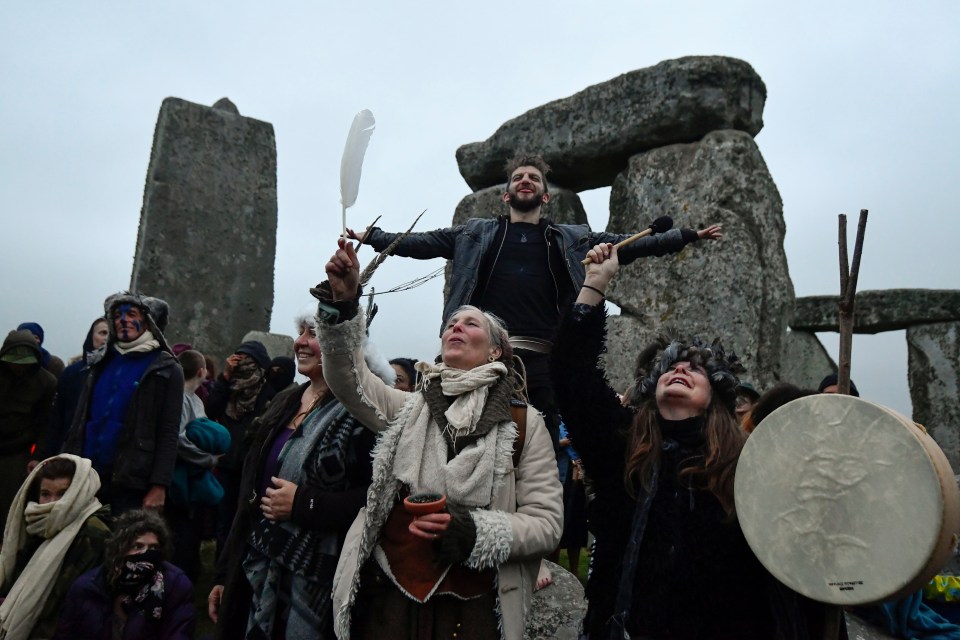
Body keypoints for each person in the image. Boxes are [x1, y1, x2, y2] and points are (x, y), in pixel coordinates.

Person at [346, 155, 722, 460]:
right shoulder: (473, 233)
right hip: (483, 357)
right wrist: (373, 237)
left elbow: (631, 244)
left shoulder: (572, 238)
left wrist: (685, 236)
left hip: (544, 360)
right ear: (507, 195)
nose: (526, 180)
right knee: (460, 437)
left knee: (537, 446)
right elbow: (420, 243)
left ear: (545, 196)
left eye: (534, 178)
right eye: (519, 177)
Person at [551, 241, 810, 639]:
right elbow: (570, 373)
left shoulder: (750, 464)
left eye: (695, 369)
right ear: (652, 388)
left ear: (717, 397)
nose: (680, 369)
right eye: (670, 366)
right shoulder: (621, 445)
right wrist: (596, 284)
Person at [318, 238, 563, 640]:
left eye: (470, 323)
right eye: (451, 323)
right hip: (389, 596)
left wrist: (475, 533)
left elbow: (548, 524)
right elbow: (349, 381)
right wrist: (342, 307)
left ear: (495, 352)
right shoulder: (410, 407)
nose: (456, 327)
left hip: (474, 609)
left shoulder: (524, 422)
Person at [208, 310, 380, 640]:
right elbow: (248, 496)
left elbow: (379, 497)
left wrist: (305, 504)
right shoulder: (285, 400)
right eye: (300, 332)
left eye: (313, 333)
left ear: (344, 344)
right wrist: (224, 574)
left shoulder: (364, 412)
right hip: (257, 563)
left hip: (320, 578)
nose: (300, 342)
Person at [63, 292, 183, 515]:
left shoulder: (166, 368)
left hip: (133, 479)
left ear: (147, 321)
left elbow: (169, 431)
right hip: (86, 471)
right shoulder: (100, 361)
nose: (123, 320)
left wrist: (159, 485)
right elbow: (81, 419)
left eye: (132, 314)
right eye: (117, 315)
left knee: (122, 544)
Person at [0, 454, 109, 639]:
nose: (53, 503)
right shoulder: (35, 525)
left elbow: (67, 602)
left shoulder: (94, 534)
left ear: (78, 493)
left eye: (62, 494)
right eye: (45, 494)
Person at [54, 509, 194, 640]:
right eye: (137, 546)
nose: (146, 554)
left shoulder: (175, 585)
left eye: (153, 548)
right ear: (120, 548)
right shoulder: (88, 586)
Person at [205, 340, 277, 554]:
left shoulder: (268, 392)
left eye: (249, 361)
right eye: (239, 359)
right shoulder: (229, 387)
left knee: (244, 521)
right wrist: (225, 377)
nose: (243, 366)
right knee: (223, 522)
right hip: (226, 466)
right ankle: (220, 571)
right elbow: (211, 409)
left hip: (251, 469)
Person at [167, 349, 229, 582]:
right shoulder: (181, 398)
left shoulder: (195, 399)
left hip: (192, 476)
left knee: (189, 531)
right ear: (202, 371)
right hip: (179, 475)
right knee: (180, 531)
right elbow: (178, 439)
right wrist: (208, 459)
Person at [0, 330, 57, 533]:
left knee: (10, 506)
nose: (17, 367)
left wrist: (37, 456)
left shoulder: (46, 382)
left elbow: (44, 423)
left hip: (19, 450)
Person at [42, 318, 110, 461]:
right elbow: (57, 417)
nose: (106, 338)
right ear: (91, 336)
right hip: (68, 450)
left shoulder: (118, 374)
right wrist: (44, 455)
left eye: (111, 334)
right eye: (102, 332)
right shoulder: (72, 373)